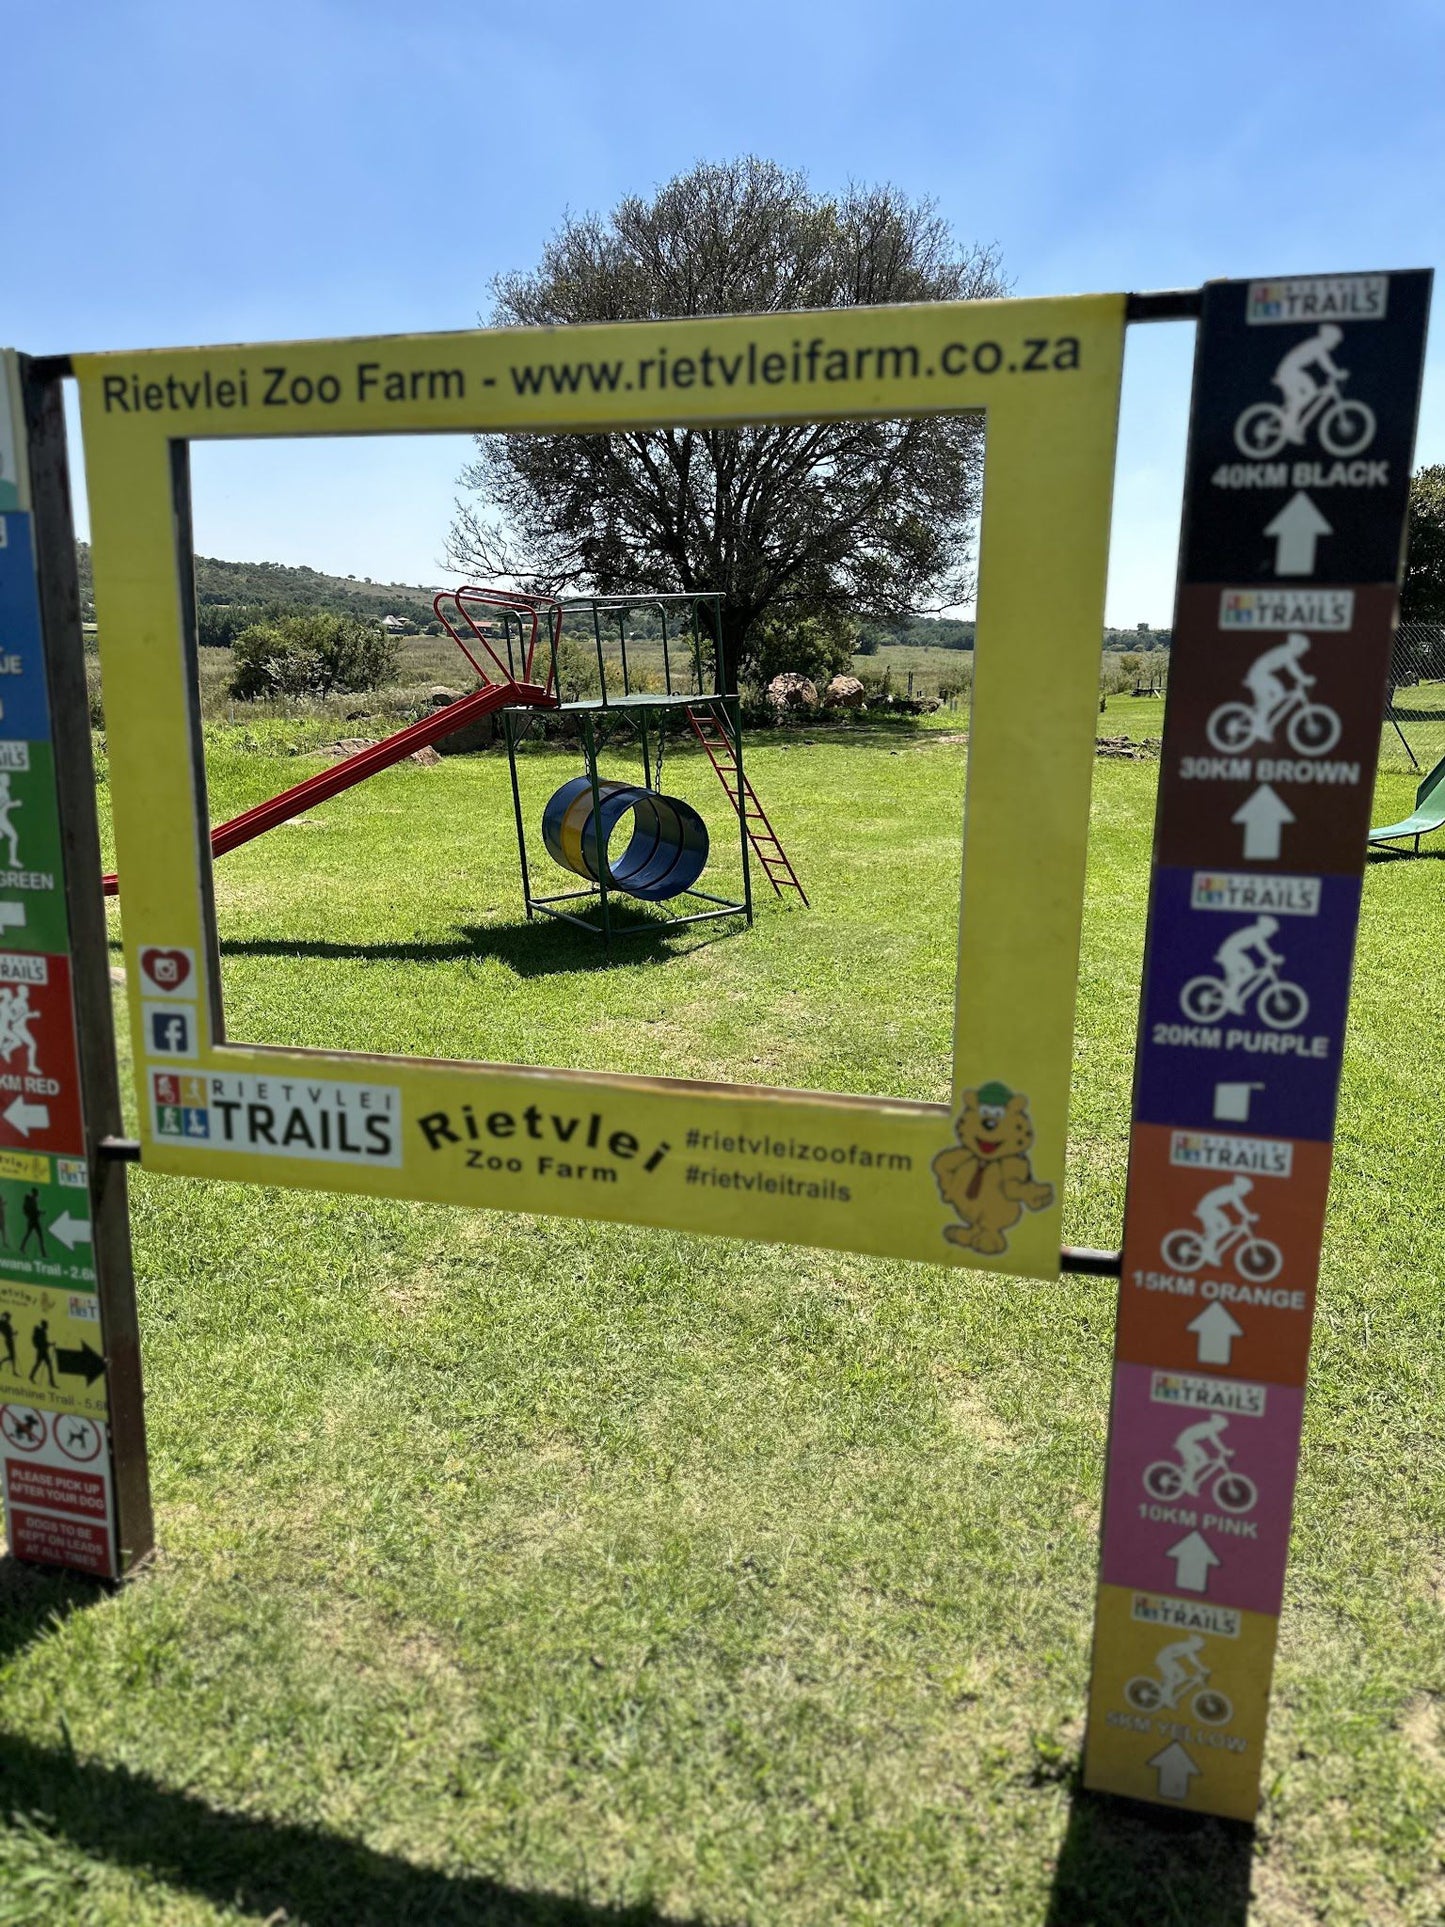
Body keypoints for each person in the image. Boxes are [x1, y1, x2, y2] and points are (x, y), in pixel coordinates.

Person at [1272, 324, 1348, 445]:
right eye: (1334, 341)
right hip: (1289, 372)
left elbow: (1325, 362)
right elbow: (1325, 362)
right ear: (1328, 337)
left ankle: (1292, 417)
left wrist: (1335, 374)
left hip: (1295, 371)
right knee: (1298, 399)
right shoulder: (1317, 345)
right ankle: (1289, 428)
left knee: (1311, 392)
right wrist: (1337, 373)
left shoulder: (1317, 344)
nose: (1334, 344)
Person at [1243, 635, 1315, 734]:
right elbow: (1292, 668)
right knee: (1278, 694)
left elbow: (1292, 667)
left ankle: (1259, 722)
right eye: (1302, 649)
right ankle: (1258, 724)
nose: (1302, 652)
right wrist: (1304, 678)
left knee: (1274, 696)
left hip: (1259, 674)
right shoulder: (1286, 652)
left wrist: (1303, 678)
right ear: (1297, 646)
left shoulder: (1286, 651)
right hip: (1259, 675)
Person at [1213, 915, 1283, 1010]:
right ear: (1265, 927)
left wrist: (1272, 957)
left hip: (1231, 951)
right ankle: (1230, 996)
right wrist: (1273, 958)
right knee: (1248, 971)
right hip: (1230, 952)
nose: (1271, 934)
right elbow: (1262, 947)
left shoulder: (1254, 931)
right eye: (1271, 930)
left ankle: (1230, 994)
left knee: (1243, 973)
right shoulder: (1256, 932)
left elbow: (1262, 947)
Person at [1194, 1175, 1257, 1260]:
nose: (1246, 1192)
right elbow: (1238, 1205)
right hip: (1207, 1208)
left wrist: (1248, 1215)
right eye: (1246, 1189)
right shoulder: (1232, 1191)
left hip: (1209, 1207)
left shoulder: (1231, 1190)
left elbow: (1238, 1205)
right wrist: (1248, 1215)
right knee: (1221, 1229)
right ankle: (1208, 1250)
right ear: (1241, 1186)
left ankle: (1209, 1247)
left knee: (1224, 1227)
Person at [1174, 1413, 1232, 1493]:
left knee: (1204, 1460)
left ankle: (1188, 1473)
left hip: (1190, 1442)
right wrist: (1225, 1451)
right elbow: (1215, 1441)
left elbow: (1216, 1441)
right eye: (1222, 1426)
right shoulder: (1209, 1427)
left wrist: (1224, 1450)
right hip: (1185, 1442)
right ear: (1217, 1423)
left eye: (1223, 1427)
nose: (1221, 1429)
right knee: (1194, 1463)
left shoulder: (1209, 1427)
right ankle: (1187, 1483)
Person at [1154, 1635, 1209, 1709]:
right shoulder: (1185, 1646)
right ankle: (1167, 1698)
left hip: (1169, 1660)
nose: (1200, 1648)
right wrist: (1201, 1668)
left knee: (1182, 1676)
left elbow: (1193, 1660)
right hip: (1164, 1659)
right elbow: (1192, 1659)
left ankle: (1167, 1687)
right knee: (1172, 1678)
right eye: (1200, 1646)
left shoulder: (1189, 1647)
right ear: (1194, 1643)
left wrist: (1202, 1668)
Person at [0, 772, 23, 869]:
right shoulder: (2, 792)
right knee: (14, 837)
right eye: (6, 780)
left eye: (8, 779)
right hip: (1, 819)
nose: (8, 781)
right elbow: (2, 805)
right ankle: (12, 860)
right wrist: (15, 804)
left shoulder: (4, 791)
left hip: (2, 818)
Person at [28, 1315, 55, 1388]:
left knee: (43, 1365)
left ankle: (31, 1376)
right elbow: (43, 1343)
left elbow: (44, 1342)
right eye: (47, 1325)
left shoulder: (42, 1332)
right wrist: (50, 1344)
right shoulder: (42, 1332)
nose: (47, 1326)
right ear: (44, 1325)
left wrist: (50, 1344)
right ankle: (51, 1382)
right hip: (42, 1352)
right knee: (42, 1365)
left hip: (43, 1351)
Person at [19, 1186, 46, 1257]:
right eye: (37, 1193)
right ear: (34, 1193)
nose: (38, 1194)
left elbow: (33, 1210)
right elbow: (33, 1211)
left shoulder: (33, 1200)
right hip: (33, 1221)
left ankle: (22, 1247)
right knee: (38, 1236)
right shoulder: (31, 1200)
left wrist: (40, 1212)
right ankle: (43, 1253)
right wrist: (40, 1213)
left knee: (30, 1235)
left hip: (33, 1220)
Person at [0, 1309, 15, 1374]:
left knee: (12, 1356)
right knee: (12, 1356)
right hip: (8, 1341)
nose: (9, 1318)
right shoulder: (3, 1324)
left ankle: (14, 1371)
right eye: (9, 1317)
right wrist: (13, 1334)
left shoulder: (5, 1324)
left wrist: (14, 1333)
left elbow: (9, 1333)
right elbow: (7, 1333)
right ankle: (13, 1371)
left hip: (10, 1340)